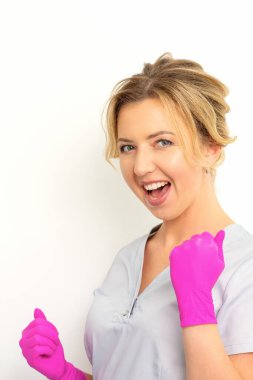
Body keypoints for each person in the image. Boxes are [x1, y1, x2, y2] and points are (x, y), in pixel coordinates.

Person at [19, 53, 253, 380]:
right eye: (128, 147)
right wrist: (67, 375)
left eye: (162, 142)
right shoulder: (128, 259)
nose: (140, 167)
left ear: (210, 147)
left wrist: (196, 305)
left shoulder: (244, 266)